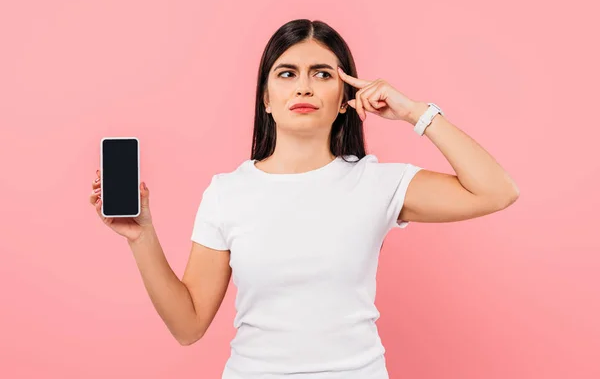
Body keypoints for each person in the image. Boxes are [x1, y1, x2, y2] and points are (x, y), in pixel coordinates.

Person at [89, 19, 519, 378]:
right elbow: (188, 326)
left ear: (345, 99)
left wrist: (413, 112)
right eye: (287, 73)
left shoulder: (376, 183)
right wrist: (140, 237)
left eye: (323, 74)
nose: (305, 87)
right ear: (266, 99)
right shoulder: (227, 192)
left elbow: (497, 190)